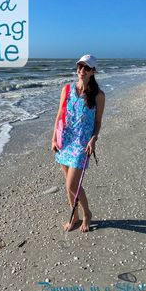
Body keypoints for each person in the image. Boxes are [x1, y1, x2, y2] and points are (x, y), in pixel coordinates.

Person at [52, 54, 105, 232]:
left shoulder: (98, 95)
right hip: (65, 140)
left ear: (93, 72)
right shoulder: (67, 89)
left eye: (86, 68)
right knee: (68, 182)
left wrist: (94, 138)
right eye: (80, 66)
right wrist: (54, 137)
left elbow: (98, 122)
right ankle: (74, 216)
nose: (82, 70)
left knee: (72, 184)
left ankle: (87, 213)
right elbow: (59, 115)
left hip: (82, 144)